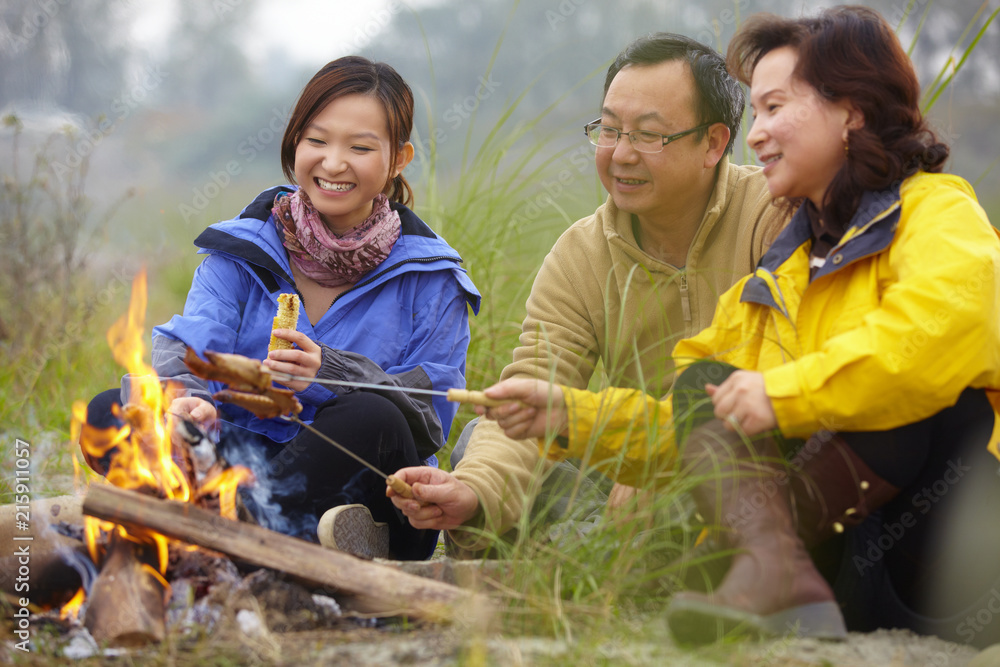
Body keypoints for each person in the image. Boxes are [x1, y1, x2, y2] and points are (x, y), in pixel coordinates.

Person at [473, 5, 1000, 648]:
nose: (758, 133)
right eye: (758, 113)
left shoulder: (939, 212)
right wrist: (569, 416)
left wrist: (779, 396)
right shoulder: (785, 267)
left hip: (956, 544)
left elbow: (928, 344)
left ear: (852, 112)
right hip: (846, 556)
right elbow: (691, 427)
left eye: (777, 108)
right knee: (707, 388)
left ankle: (766, 567)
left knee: (932, 406)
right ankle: (774, 572)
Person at [388, 34, 787, 551]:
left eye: (647, 135)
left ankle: (577, 549)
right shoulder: (582, 254)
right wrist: (474, 490)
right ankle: (569, 540)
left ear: (713, 143)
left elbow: (771, 360)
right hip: (626, 461)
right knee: (482, 451)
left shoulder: (770, 214)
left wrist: (662, 456)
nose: (620, 155)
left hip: (744, 451)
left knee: (718, 469)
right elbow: (537, 385)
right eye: (609, 130)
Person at [81, 56, 480, 561]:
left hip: (366, 485)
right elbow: (191, 346)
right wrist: (189, 399)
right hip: (240, 461)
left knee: (372, 415)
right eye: (317, 141)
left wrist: (328, 371)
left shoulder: (432, 276)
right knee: (109, 412)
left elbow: (427, 416)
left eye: (359, 147)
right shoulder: (243, 249)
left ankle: (222, 529)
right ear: (294, 142)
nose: (333, 163)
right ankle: (268, 530)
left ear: (399, 158)